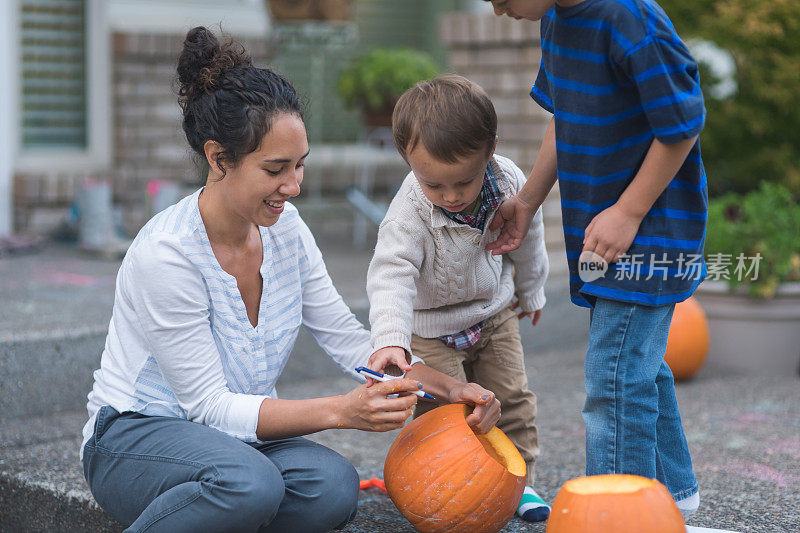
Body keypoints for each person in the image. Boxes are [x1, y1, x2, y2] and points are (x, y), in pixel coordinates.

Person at [80, 27, 501, 533]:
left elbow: (349, 341)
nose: (294, 186)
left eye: (299, 166)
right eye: (276, 169)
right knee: (248, 484)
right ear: (218, 159)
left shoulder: (287, 232)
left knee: (332, 488)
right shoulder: (167, 256)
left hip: (235, 444)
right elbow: (209, 408)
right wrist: (342, 412)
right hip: (134, 438)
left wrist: (447, 388)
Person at [482, 0, 706, 517]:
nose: (498, 10)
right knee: (637, 368)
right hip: (610, 235)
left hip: (652, 233)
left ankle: (617, 514)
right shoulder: (558, 19)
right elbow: (565, 117)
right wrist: (528, 201)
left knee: (615, 379)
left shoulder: (631, 21)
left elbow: (683, 124)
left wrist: (628, 211)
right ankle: (673, 496)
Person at [365, 75, 551, 522]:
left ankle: (517, 482)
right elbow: (391, 273)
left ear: (490, 150)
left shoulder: (509, 182)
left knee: (511, 398)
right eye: (434, 185)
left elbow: (528, 236)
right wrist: (390, 339)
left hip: (493, 313)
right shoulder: (408, 212)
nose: (450, 196)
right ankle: (441, 484)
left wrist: (531, 289)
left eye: (463, 183)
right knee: (448, 415)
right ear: (409, 162)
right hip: (429, 328)